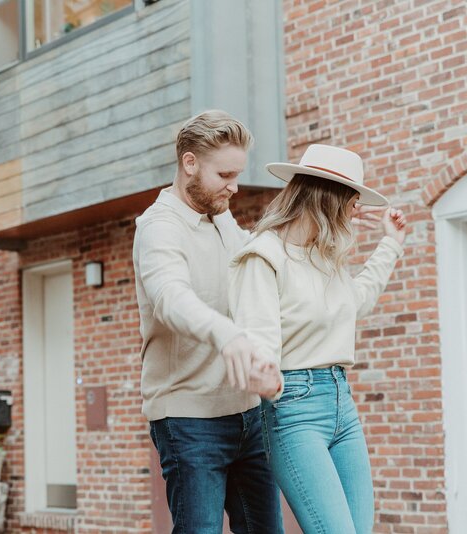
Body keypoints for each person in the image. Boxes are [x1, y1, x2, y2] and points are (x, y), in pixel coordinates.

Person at [228, 144, 407, 534]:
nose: (355, 215)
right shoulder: (263, 256)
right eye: (351, 204)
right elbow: (258, 343)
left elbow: (354, 305)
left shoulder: (325, 257)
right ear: (330, 201)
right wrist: (269, 383)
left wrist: (390, 243)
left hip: (342, 401)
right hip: (295, 407)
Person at [132, 110, 283, 533]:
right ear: (190, 163)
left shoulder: (221, 217)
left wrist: (322, 217)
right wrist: (228, 334)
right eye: (225, 175)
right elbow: (169, 298)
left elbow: (259, 256)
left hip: (248, 414)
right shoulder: (159, 227)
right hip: (188, 420)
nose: (234, 186)